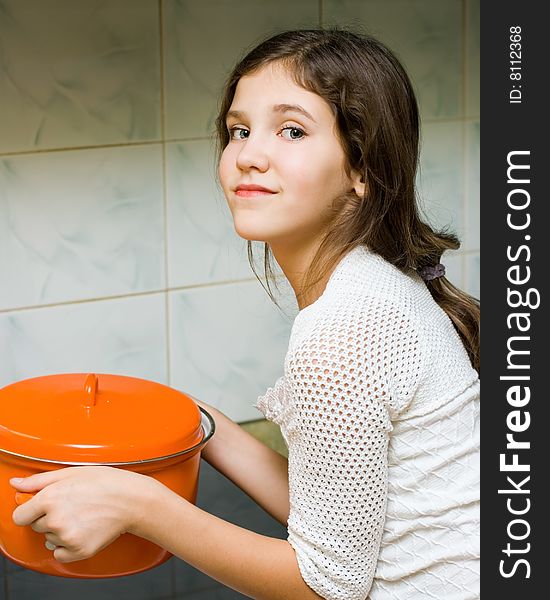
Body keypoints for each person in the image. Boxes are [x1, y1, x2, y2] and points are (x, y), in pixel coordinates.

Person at [11, 29, 480, 599]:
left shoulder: (345, 330)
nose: (248, 155)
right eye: (239, 130)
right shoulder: (374, 286)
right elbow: (340, 513)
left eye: (291, 130)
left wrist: (140, 506)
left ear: (362, 169)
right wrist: (197, 421)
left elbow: (327, 586)